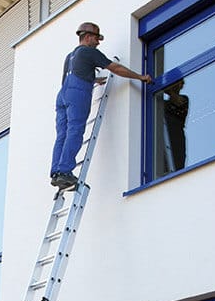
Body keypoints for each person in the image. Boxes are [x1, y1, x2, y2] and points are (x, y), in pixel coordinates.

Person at [50, 22, 152, 190]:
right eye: (97, 39)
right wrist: (139, 77)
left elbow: (72, 77)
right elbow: (116, 68)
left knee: (62, 134)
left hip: (63, 95)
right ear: (88, 37)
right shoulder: (90, 52)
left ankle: (56, 172)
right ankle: (64, 171)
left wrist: (94, 79)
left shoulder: (70, 56)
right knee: (75, 130)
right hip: (77, 92)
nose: (98, 42)